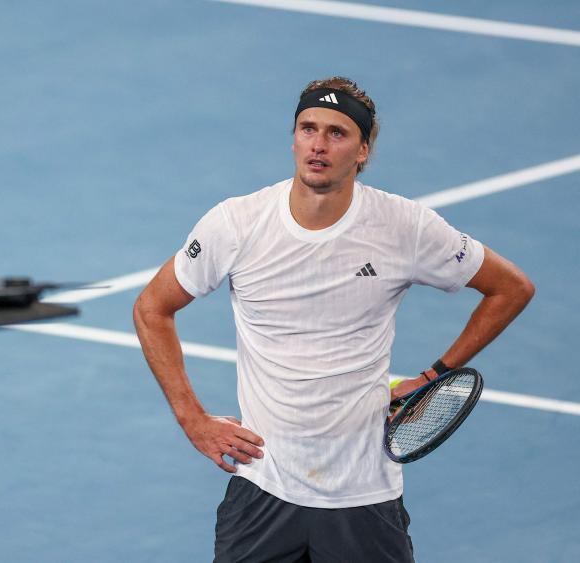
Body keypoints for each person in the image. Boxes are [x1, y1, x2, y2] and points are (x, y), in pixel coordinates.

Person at [132, 76, 534, 562]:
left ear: (363, 151)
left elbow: (510, 288)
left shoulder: (404, 227)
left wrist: (436, 375)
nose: (318, 146)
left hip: (362, 496)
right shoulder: (236, 223)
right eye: (307, 129)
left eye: (337, 133)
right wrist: (192, 420)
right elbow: (152, 308)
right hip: (262, 489)